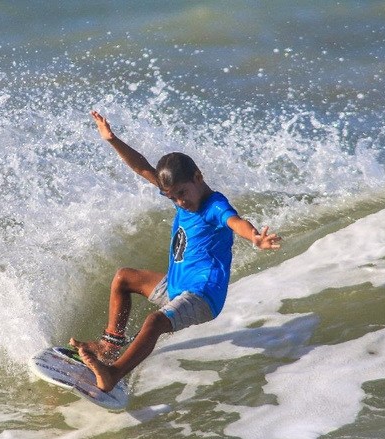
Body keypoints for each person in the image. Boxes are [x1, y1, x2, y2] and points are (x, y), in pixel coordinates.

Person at [70, 110, 282, 392]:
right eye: (172, 197)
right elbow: (142, 166)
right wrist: (112, 139)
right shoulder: (182, 195)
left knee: (155, 322)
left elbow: (236, 222)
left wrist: (255, 237)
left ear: (198, 177)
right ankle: (109, 348)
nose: (179, 202)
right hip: (176, 285)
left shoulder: (213, 206)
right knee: (123, 278)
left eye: (182, 193)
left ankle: (113, 373)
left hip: (202, 295)